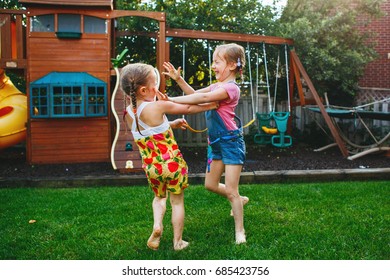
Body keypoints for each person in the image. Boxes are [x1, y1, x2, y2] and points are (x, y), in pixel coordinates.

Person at [120, 63, 217, 251]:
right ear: (143, 89)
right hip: (172, 164)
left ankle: (157, 225)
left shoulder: (128, 114)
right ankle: (178, 242)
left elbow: (150, 132)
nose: (158, 87)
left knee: (159, 198)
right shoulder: (158, 105)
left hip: (152, 168)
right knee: (177, 201)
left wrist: (171, 124)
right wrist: (213, 104)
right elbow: (188, 108)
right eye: (155, 83)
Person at [161, 43, 249, 244]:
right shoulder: (218, 85)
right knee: (210, 184)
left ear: (232, 66)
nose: (213, 66)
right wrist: (179, 79)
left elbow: (203, 98)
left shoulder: (230, 88)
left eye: (217, 62)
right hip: (215, 143)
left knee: (231, 189)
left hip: (231, 143)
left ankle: (240, 232)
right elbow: (196, 93)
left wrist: (170, 99)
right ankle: (240, 200)